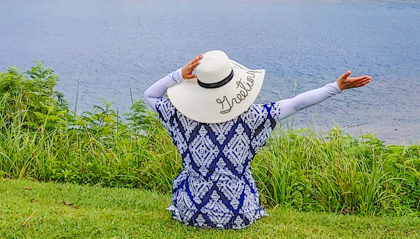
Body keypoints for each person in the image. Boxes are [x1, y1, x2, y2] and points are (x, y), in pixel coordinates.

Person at [143, 49, 371, 229]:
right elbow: (296, 103)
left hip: (191, 212)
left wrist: (178, 75)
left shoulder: (179, 115)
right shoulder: (253, 116)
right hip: (239, 214)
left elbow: (150, 94)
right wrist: (334, 87)